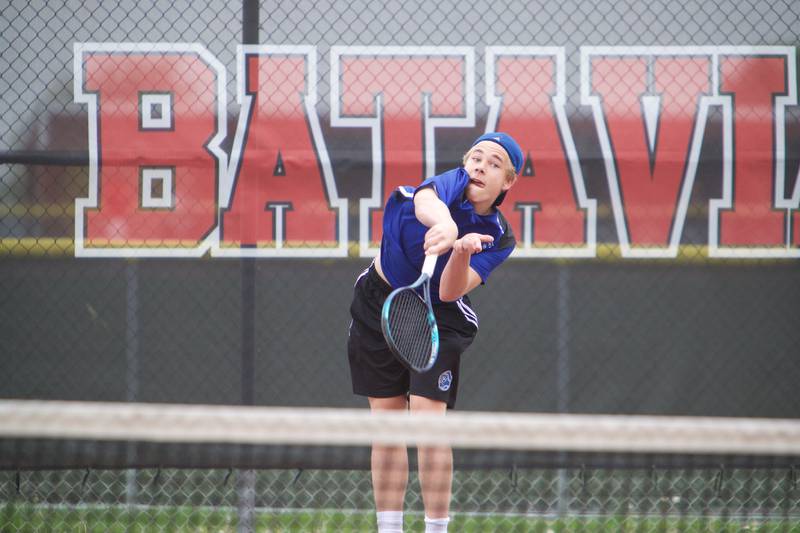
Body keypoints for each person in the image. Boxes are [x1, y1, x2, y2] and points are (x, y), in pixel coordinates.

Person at [347, 132, 522, 533]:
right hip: (378, 303)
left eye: (494, 163)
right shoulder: (450, 183)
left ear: (508, 181)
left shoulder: (499, 236)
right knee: (387, 426)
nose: (480, 166)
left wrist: (460, 250)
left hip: (437, 315)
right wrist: (444, 223)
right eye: (476, 158)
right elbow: (425, 200)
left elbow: (449, 291)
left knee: (428, 425)